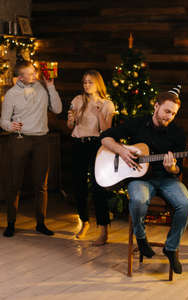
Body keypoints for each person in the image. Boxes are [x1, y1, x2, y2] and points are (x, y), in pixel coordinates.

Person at [100, 85, 188, 274]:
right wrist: (122, 151)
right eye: (167, 111)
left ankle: (171, 248)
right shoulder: (138, 123)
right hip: (139, 179)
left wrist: (172, 167)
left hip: (167, 179)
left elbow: (178, 168)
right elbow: (105, 138)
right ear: (156, 106)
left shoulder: (177, 133)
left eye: (173, 114)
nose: (169, 116)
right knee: (138, 199)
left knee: (186, 204)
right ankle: (141, 238)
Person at [0, 60, 62, 237]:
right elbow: (3, 121)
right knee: (14, 183)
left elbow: (57, 109)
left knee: (41, 184)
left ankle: (40, 223)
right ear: (20, 77)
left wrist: (50, 87)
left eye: (35, 72)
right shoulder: (11, 94)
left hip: (42, 140)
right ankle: (11, 223)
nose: (35, 75)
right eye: (31, 73)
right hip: (20, 140)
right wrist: (10, 126)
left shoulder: (43, 87)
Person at [67, 70, 115, 245]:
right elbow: (70, 125)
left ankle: (103, 230)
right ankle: (84, 222)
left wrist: (99, 112)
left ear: (98, 84)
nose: (87, 85)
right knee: (78, 185)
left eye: (90, 82)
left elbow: (107, 130)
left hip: (96, 145)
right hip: (78, 143)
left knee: (98, 187)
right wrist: (71, 119)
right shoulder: (77, 100)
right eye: (85, 82)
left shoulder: (106, 104)